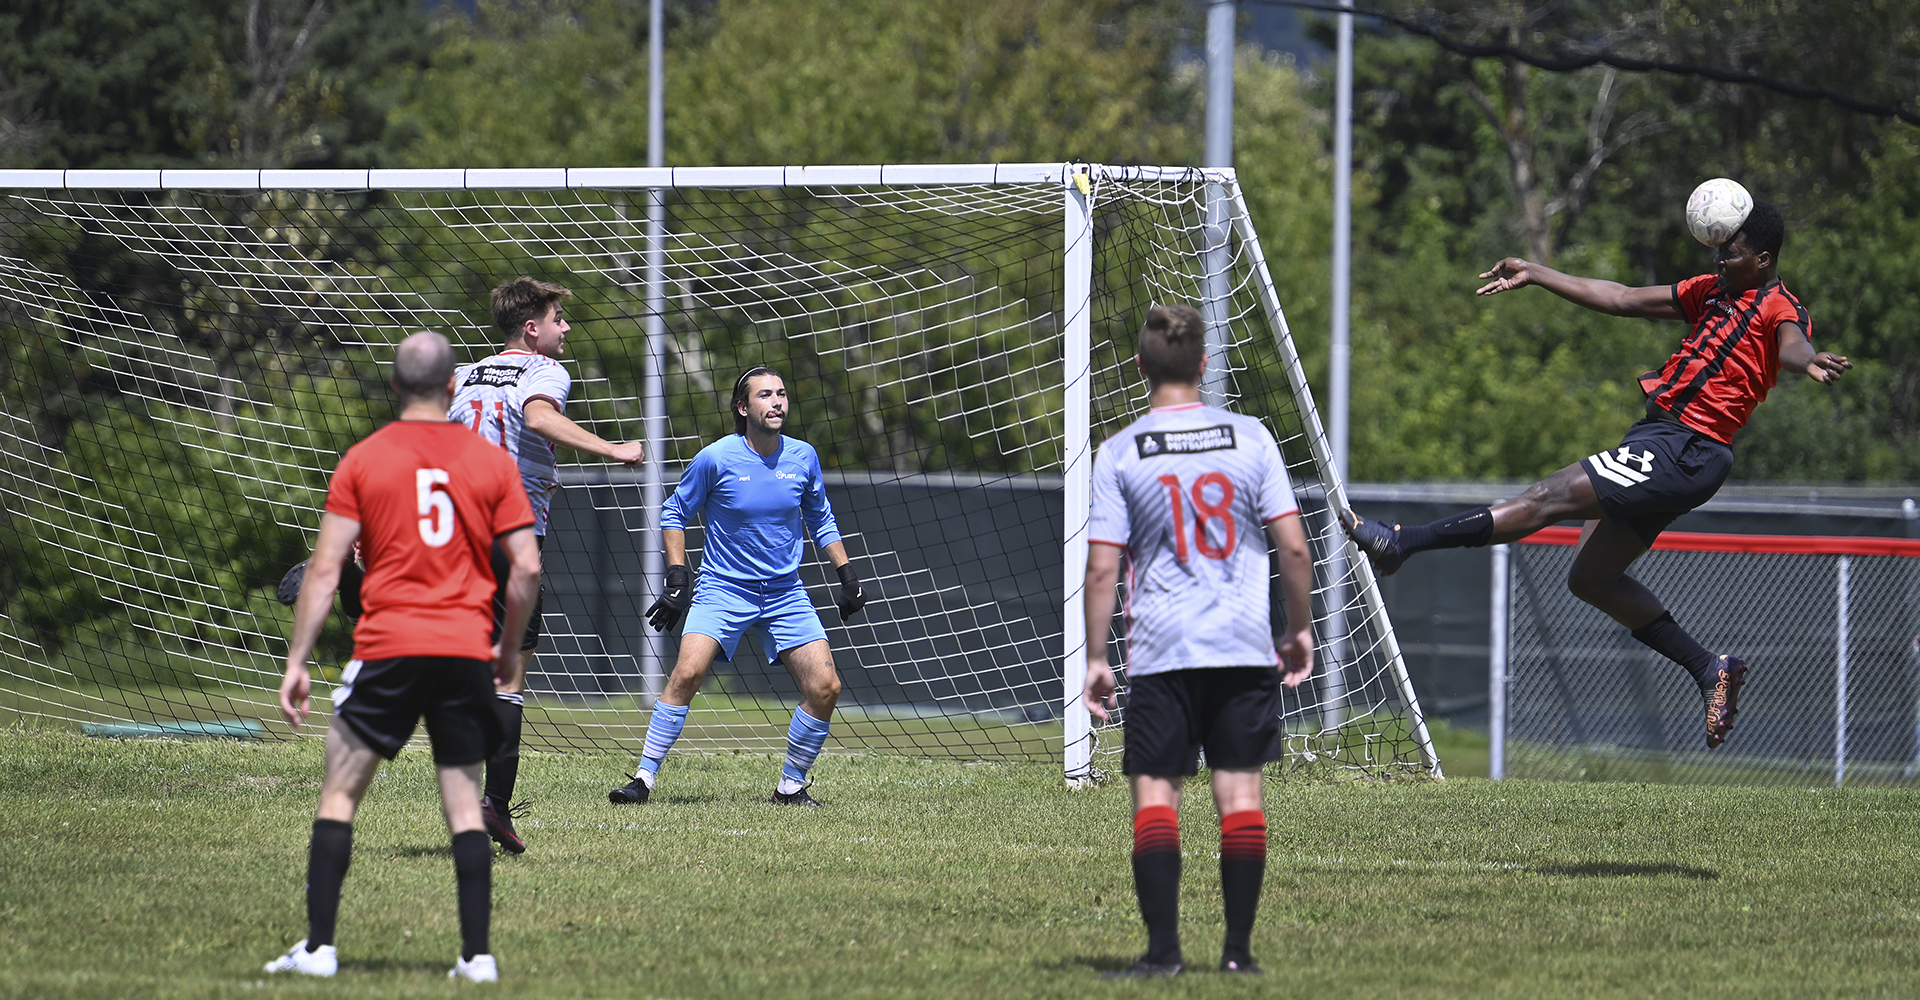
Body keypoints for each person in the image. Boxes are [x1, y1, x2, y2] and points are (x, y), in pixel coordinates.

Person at [1342, 198, 1851, 750]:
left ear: (1764, 259)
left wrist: (1809, 360)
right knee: (1590, 578)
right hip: (1663, 441)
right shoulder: (1711, 291)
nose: (1720, 260)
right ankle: (1710, 668)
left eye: (1732, 253)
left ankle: (1403, 542)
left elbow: (1792, 344)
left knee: (1545, 497)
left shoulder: (1780, 306)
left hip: (1688, 448)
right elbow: (1621, 297)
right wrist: (1536, 272)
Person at [264, 330, 541, 982]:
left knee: (339, 796)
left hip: (388, 648)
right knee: (465, 806)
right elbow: (526, 568)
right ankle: (477, 958)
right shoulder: (490, 462)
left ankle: (319, 950)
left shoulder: (364, 459)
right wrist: (506, 648)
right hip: (463, 651)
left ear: (394, 385)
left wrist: (298, 661)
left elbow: (325, 570)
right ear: (453, 386)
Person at [1081, 304, 1316, 978]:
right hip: (1242, 646)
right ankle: (1238, 955)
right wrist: (1298, 629)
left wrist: (1096, 658)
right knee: (1240, 797)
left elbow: (1102, 568)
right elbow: (1294, 548)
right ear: (1205, 365)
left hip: (1163, 650)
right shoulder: (1253, 437)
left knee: (1157, 797)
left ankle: (1163, 956)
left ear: (1140, 368)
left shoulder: (1120, 451)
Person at [609, 366, 867, 807]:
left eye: (781, 393)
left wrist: (847, 574)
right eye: (765, 395)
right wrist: (677, 576)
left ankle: (790, 787)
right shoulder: (715, 458)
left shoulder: (803, 456)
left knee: (826, 688)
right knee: (687, 674)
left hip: (785, 593)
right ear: (743, 408)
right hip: (723, 589)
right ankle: (643, 779)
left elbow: (821, 518)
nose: (777, 401)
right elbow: (674, 513)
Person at [448, 276, 645, 854]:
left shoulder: (463, 373)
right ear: (532, 329)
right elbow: (536, 417)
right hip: (510, 534)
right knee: (509, 674)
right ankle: (494, 804)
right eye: (559, 318)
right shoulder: (545, 370)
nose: (567, 327)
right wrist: (613, 449)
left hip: (454, 531)